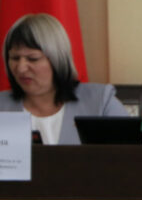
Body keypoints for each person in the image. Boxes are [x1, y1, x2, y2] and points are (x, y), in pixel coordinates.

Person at [0, 13, 127, 144]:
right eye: (15, 58)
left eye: (33, 59)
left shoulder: (100, 102)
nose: (21, 68)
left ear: (57, 59)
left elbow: (131, 152)